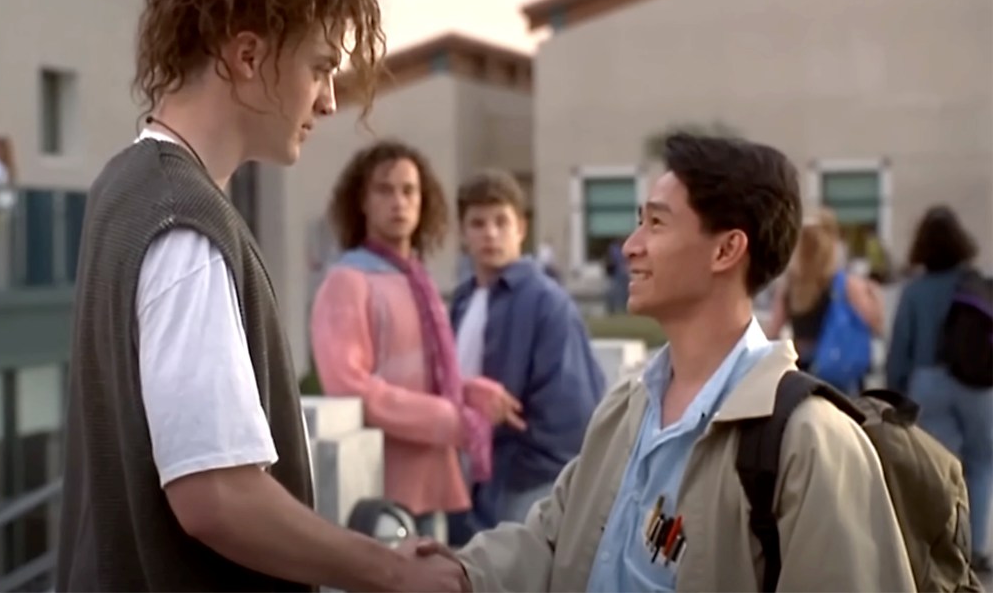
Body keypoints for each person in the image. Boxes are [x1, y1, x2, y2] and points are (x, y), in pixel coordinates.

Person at [55, 0, 467, 591]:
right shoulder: (183, 226)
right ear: (248, 57)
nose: (330, 100)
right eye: (320, 67)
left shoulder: (124, 186)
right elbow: (217, 495)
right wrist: (386, 570)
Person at [413, 133, 914, 591]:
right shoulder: (626, 408)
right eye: (638, 222)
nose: (630, 247)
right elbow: (553, 539)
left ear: (726, 249)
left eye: (656, 223)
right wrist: (461, 573)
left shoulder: (811, 443)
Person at [311, 140, 523, 540]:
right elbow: (349, 386)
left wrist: (471, 393)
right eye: (384, 190)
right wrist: (446, 418)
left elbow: (421, 371)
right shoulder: (348, 282)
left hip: (432, 484)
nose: (399, 202)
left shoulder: (417, 278)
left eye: (409, 190)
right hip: (381, 491)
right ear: (362, 200)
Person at [447, 169, 605, 544]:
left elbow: (574, 412)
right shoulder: (463, 298)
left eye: (501, 221)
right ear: (462, 233)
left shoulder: (547, 303)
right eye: (478, 223)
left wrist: (519, 474)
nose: (490, 233)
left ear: (521, 227)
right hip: (467, 476)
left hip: (523, 483)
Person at [887, 205, 992, 573]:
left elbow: (900, 346)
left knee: (935, 469)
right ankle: (977, 548)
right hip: (977, 383)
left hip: (927, 382)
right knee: (981, 463)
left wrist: (894, 391)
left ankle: (942, 548)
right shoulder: (977, 282)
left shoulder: (914, 291)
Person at [764, 208, 884, 393]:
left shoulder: (790, 286)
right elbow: (876, 324)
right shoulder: (846, 284)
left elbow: (772, 333)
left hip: (802, 369)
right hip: (840, 370)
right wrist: (874, 295)